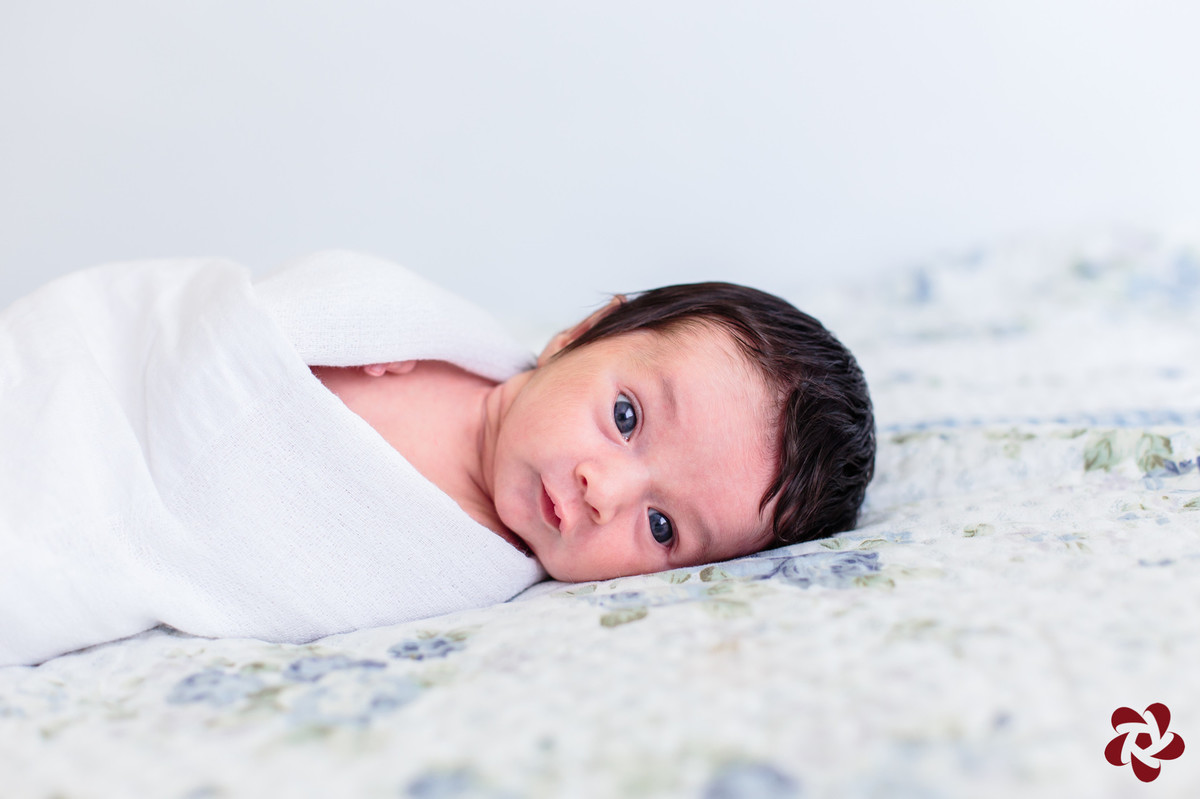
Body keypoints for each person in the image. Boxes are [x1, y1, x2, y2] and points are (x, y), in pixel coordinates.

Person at [313, 280, 875, 583]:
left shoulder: (465, 575)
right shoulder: (411, 336)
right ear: (582, 333)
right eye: (625, 418)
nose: (604, 492)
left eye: (661, 528)